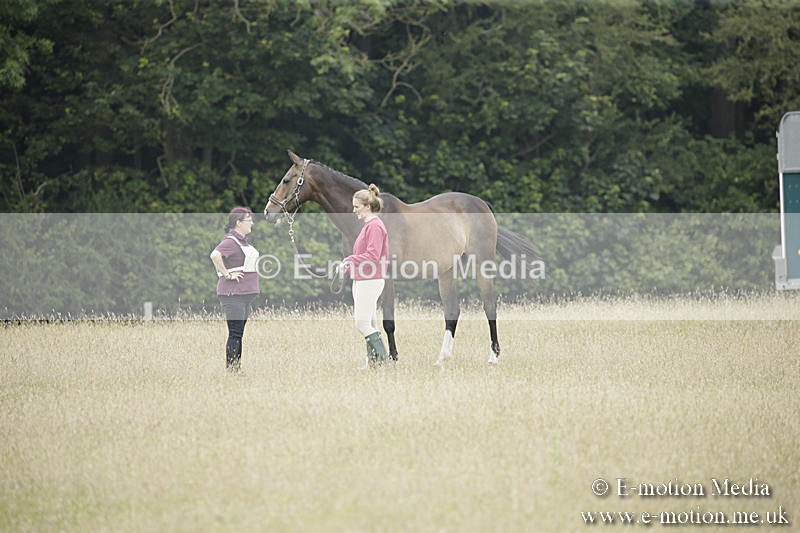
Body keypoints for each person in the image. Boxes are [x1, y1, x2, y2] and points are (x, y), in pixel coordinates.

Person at [340, 184, 390, 367]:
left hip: (370, 280)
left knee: (362, 324)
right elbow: (365, 256)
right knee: (369, 322)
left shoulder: (375, 226)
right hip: (364, 278)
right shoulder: (369, 225)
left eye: (356, 207)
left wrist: (349, 259)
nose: (354, 211)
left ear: (368, 206)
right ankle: (373, 364)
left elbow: (373, 256)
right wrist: (347, 266)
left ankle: (384, 362)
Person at [209, 207, 259, 372]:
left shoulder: (243, 241)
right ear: (238, 222)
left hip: (243, 295)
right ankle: (232, 371)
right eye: (248, 220)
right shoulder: (231, 241)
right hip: (233, 295)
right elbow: (215, 255)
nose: (251, 222)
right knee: (235, 334)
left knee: (238, 334)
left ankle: (235, 369)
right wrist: (227, 274)